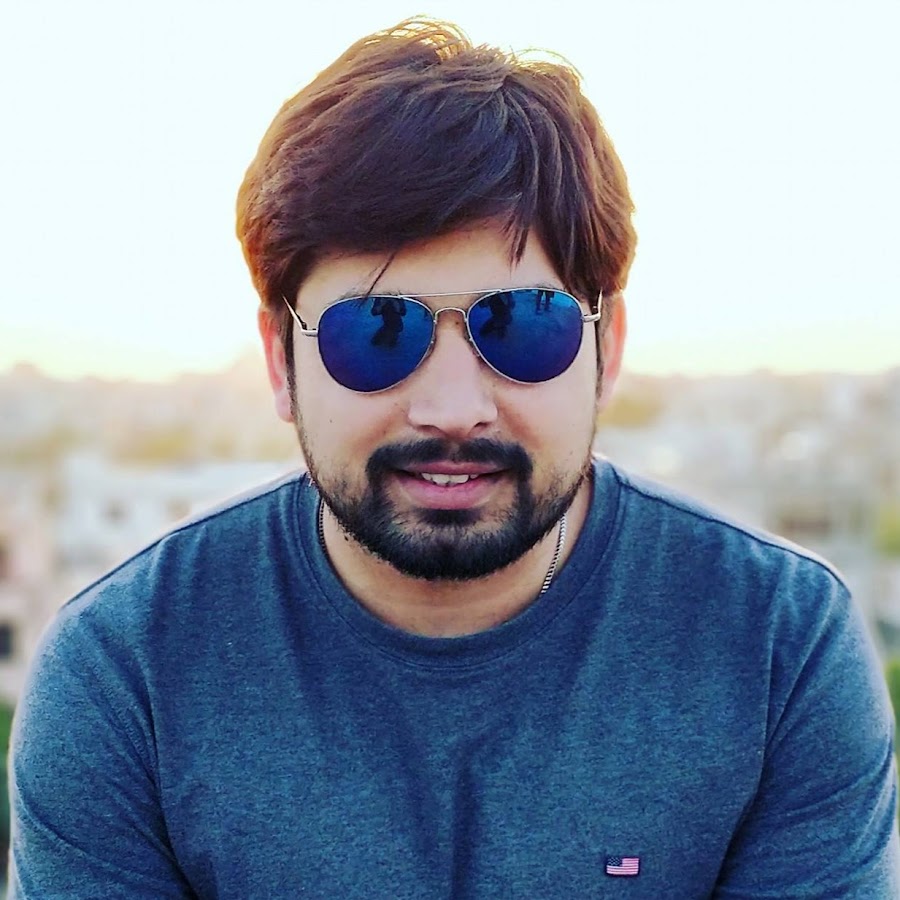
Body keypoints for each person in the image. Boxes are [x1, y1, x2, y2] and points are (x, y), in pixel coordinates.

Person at [8, 18, 899, 899]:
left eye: (522, 326)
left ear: (607, 348)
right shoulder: (127, 673)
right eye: (376, 331)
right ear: (280, 362)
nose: (453, 409)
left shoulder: (775, 644)